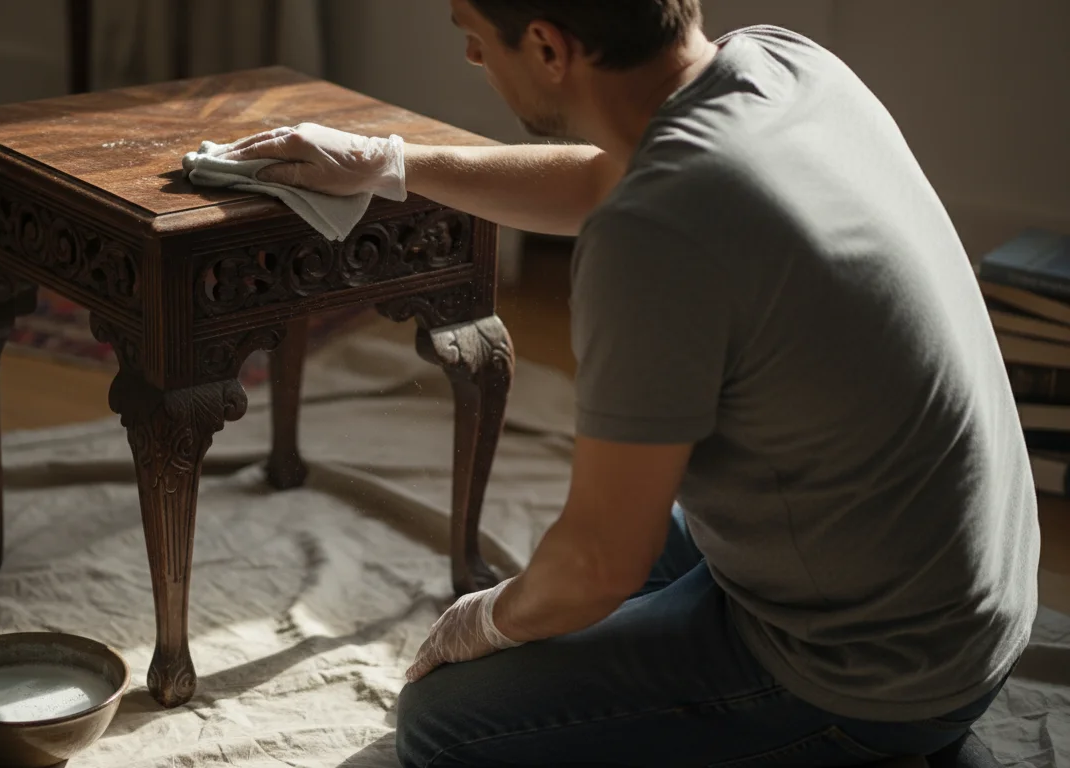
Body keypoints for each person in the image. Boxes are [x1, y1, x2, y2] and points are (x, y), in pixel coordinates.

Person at [214, 1, 1041, 765]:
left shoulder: (653, 235)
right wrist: (390, 163)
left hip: (880, 675)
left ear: (546, 45)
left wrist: (486, 622)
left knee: (444, 723)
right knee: (623, 562)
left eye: (470, 28)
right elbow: (602, 179)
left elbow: (602, 561)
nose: (467, 51)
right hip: (967, 596)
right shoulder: (786, 64)